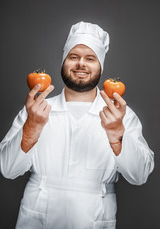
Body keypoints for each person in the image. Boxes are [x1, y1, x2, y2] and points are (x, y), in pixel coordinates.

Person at [0, 21, 154, 229]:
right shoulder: (36, 111)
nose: (81, 64)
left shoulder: (121, 116)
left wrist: (118, 135)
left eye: (90, 58)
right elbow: (8, 170)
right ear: (64, 62)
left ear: (100, 66)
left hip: (95, 218)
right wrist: (31, 129)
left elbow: (139, 176)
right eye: (73, 57)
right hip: (37, 218)